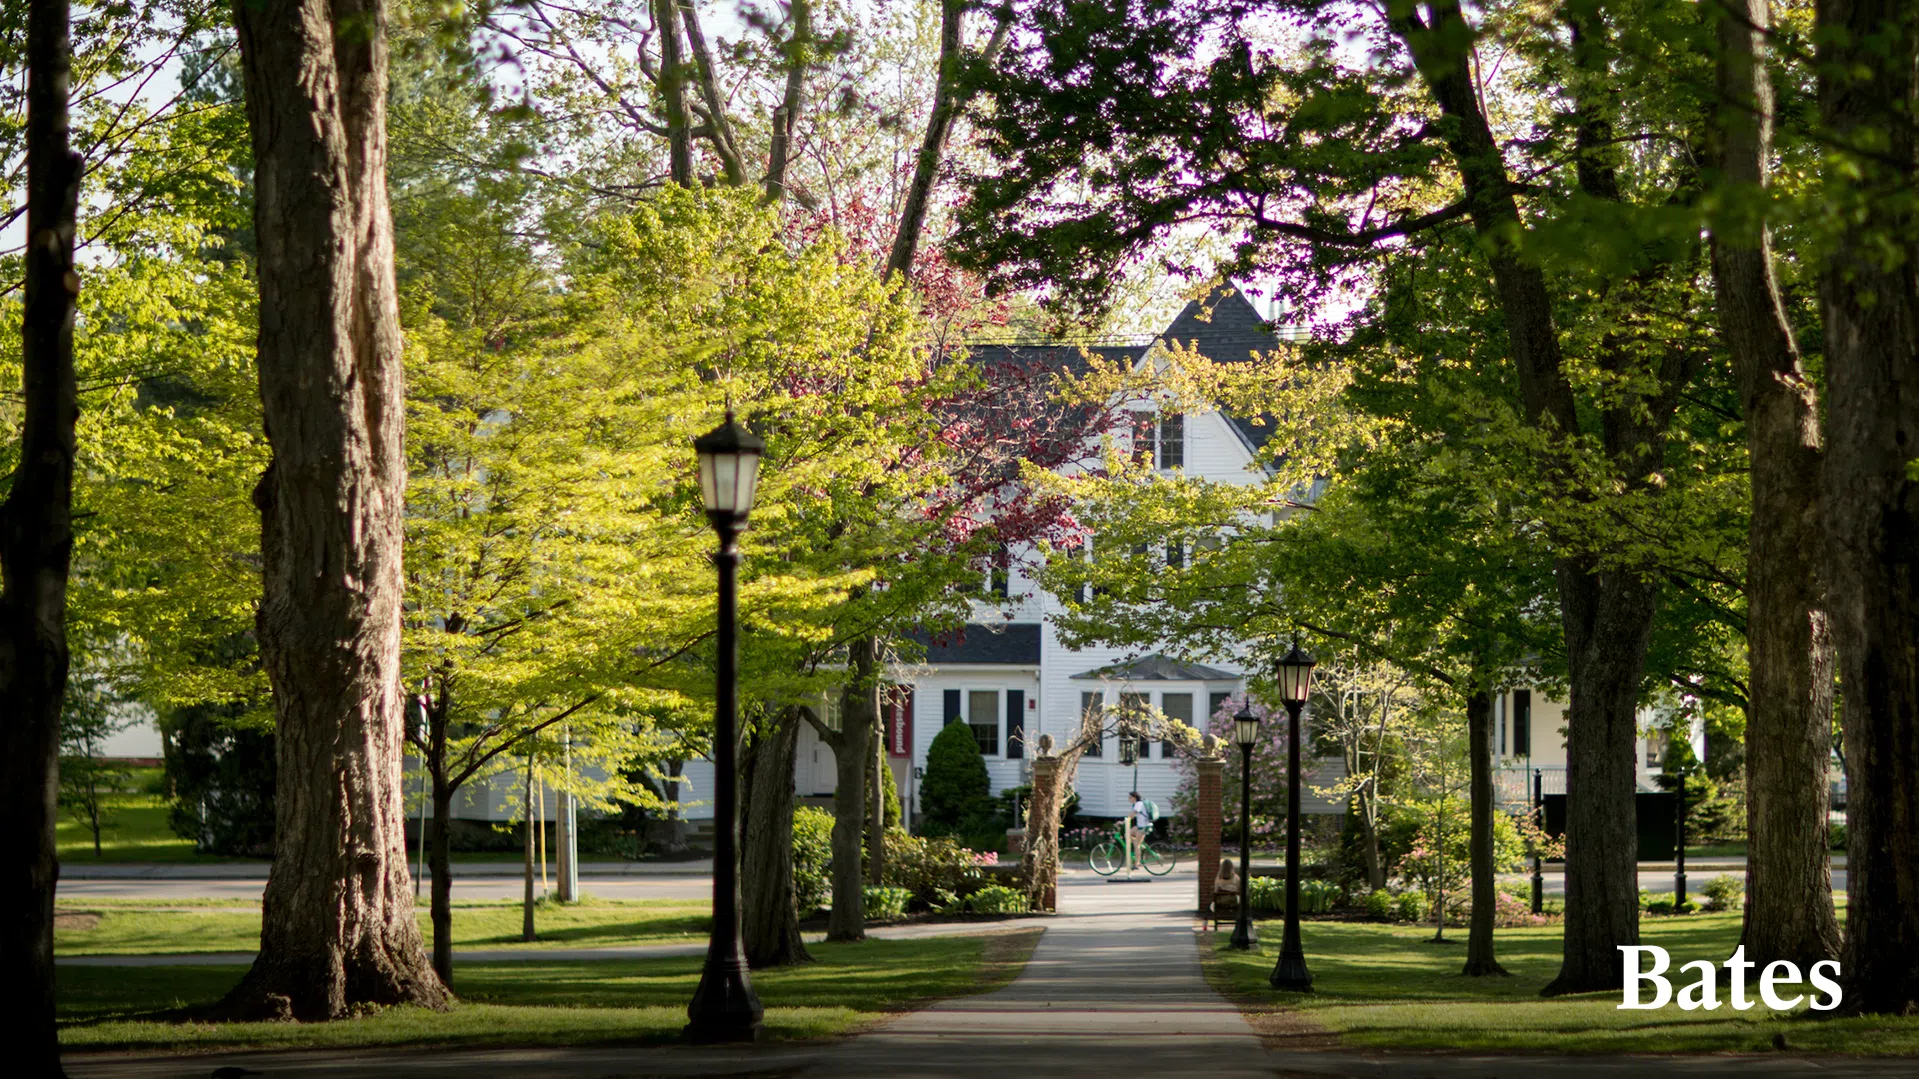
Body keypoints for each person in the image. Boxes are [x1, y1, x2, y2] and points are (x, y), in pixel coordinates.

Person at [1213, 857, 1240, 931]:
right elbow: (1239, 889)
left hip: (1220, 901)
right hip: (1232, 901)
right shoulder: (1236, 878)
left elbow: (1215, 890)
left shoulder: (1218, 879)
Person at [1127, 791, 1151, 870]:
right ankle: (1139, 847)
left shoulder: (1138, 804)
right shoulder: (1136, 804)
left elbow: (1133, 814)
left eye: (1130, 797)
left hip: (1144, 826)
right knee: (1127, 834)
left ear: (1134, 797)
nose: (1129, 799)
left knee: (1136, 845)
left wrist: (1124, 821)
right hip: (1140, 826)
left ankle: (1137, 864)